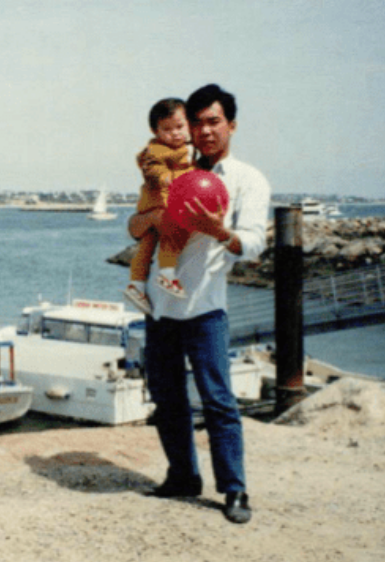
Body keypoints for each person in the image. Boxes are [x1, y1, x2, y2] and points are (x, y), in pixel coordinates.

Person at [129, 83, 270, 524]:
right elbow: (135, 229)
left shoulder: (247, 179)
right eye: (197, 123)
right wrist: (159, 216)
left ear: (231, 125)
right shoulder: (172, 168)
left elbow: (254, 243)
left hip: (206, 307)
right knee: (167, 399)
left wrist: (219, 231)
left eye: (214, 122)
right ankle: (182, 476)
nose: (205, 131)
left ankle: (234, 490)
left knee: (218, 401)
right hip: (160, 306)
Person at [124, 98, 195, 315]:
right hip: (158, 202)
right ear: (155, 131)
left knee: (147, 244)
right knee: (170, 235)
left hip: (155, 204)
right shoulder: (157, 150)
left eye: (180, 127)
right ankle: (167, 272)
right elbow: (153, 169)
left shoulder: (189, 148)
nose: (175, 133)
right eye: (167, 129)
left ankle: (136, 284)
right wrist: (165, 177)